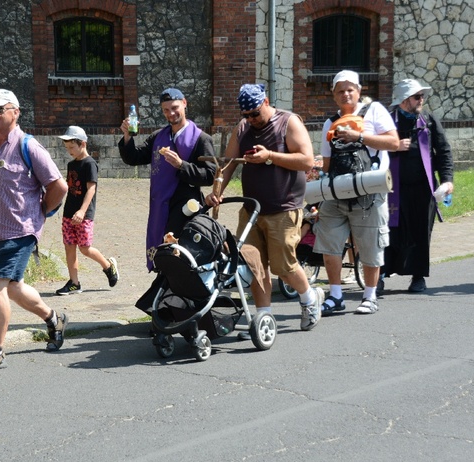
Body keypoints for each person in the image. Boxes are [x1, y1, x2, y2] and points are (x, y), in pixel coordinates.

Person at [0, 89, 69, 371]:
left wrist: (41, 213)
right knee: (13, 287)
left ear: (15, 112)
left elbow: (59, 186)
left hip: (19, 231)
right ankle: (54, 318)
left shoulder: (29, 146)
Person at [205, 83, 325, 332]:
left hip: (283, 208)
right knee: (252, 265)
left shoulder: (288, 123)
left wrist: (270, 155)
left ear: (266, 102)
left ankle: (309, 299)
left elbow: (306, 161)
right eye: (246, 115)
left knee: (283, 267)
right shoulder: (242, 128)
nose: (251, 119)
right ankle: (263, 320)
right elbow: (228, 165)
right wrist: (216, 193)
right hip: (251, 210)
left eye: (255, 114)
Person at [314, 70, 400, 315]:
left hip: (370, 192)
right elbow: (327, 163)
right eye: (340, 90)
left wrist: (359, 136)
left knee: (371, 245)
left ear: (359, 91)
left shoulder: (375, 111)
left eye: (350, 89)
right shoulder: (329, 123)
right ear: (333, 95)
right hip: (337, 192)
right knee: (328, 244)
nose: (346, 94)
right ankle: (336, 296)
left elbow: (394, 143)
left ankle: (370, 296)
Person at [118, 88, 217, 272]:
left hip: (186, 210)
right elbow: (134, 158)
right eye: (166, 110)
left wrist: (182, 165)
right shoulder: (158, 137)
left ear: (185, 104)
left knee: (182, 260)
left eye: (174, 107)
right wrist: (127, 137)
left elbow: (209, 175)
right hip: (160, 207)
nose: (171, 113)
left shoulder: (202, 139)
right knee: (163, 260)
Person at [383, 79, 454, 293]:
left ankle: (418, 277)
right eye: (417, 96)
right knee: (388, 232)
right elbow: (372, 149)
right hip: (391, 189)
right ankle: (378, 276)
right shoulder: (387, 122)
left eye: (422, 96)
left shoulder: (428, 121)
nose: (421, 100)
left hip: (423, 189)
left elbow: (443, 151)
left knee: (421, 232)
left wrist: (447, 180)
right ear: (404, 100)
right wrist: (394, 147)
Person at [55, 125, 119, 295]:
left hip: (84, 215)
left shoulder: (90, 164)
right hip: (69, 213)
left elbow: (91, 189)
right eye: (67, 147)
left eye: (72, 147)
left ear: (82, 144)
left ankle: (108, 266)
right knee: (69, 246)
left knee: (84, 248)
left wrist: (82, 211)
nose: (69, 151)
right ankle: (74, 283)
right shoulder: (71, 164)